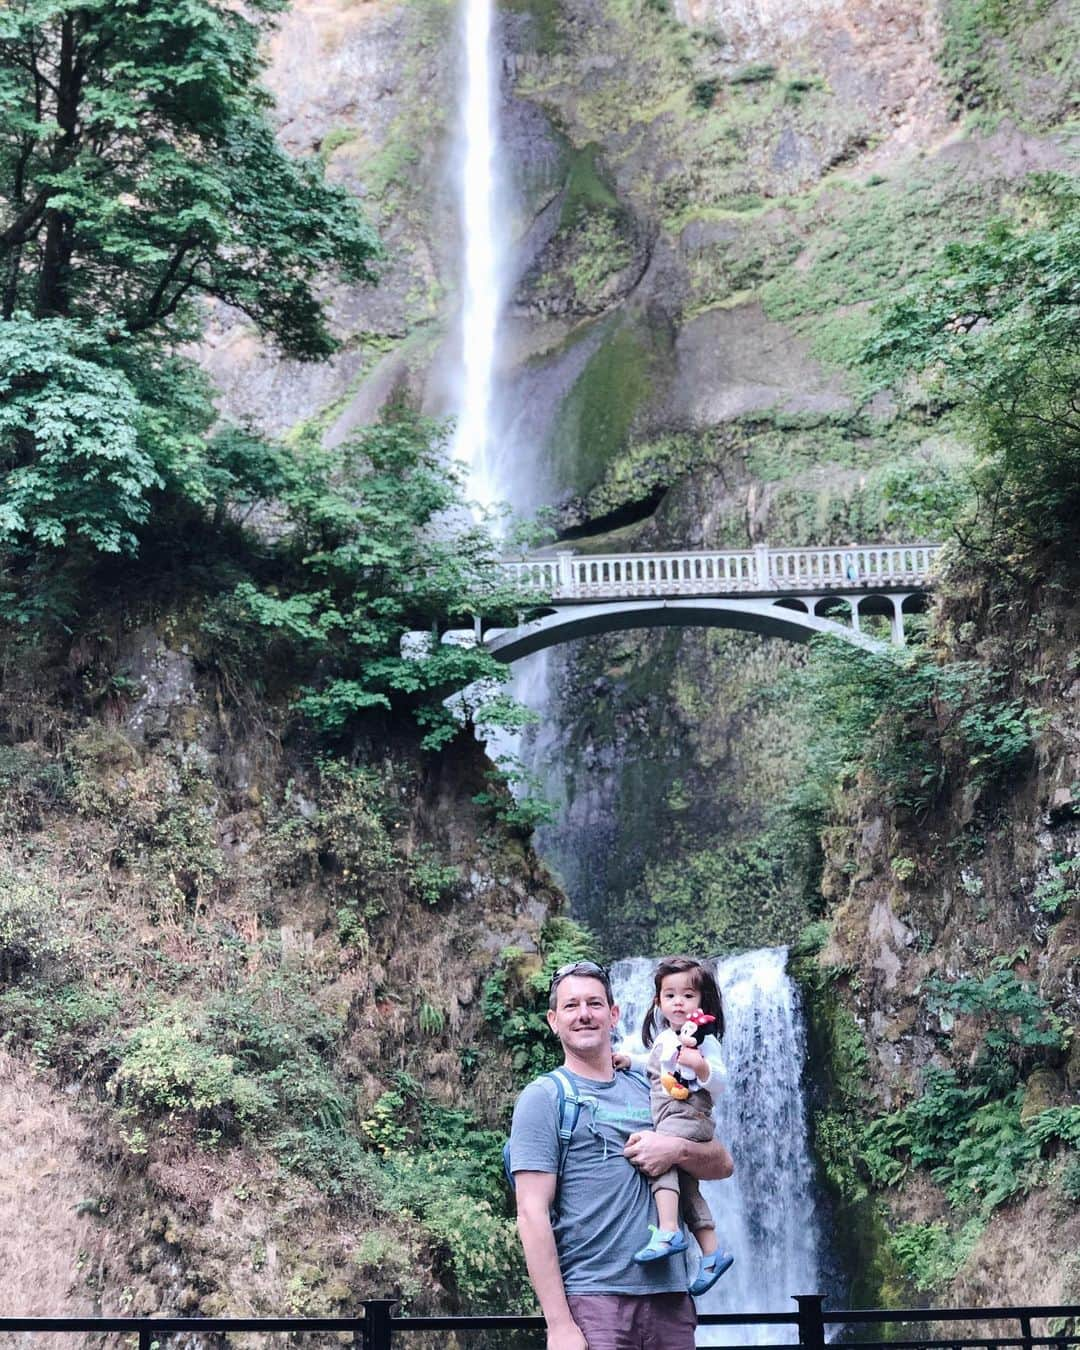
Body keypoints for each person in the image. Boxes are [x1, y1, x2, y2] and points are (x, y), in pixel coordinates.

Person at [509, 960, 735, 1350]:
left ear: (613, 1014)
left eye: (595, 1004)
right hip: (595, 1303)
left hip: (670, 1301)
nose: (584, 1014)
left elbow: (722, 1163)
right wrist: (559, 1325)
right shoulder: (543, 1098)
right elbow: (531, 1215)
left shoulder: (654, 1082)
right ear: (553, 1020)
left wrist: (675, 1148)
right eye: (571, 1006)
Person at [614, 956, 735, 1296]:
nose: (678, 1002)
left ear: (702, 1001)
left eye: (688, 995)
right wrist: (630, 1060)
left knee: (660, 1157)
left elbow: (720, 1082)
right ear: (658, 1001)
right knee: (688, 1189)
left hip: (688, 1115)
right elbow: (655, 1063)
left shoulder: (704, 1040)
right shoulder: (667, 1038)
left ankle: (668, 1231)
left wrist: (700, 1066)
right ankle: (713, 1254)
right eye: (670, 996)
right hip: (672, 1114)